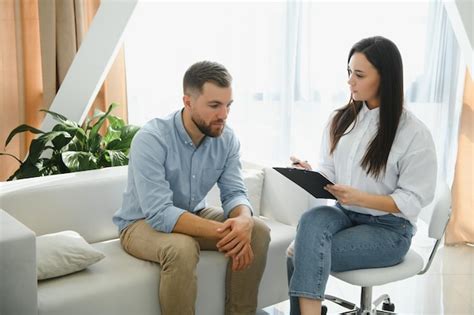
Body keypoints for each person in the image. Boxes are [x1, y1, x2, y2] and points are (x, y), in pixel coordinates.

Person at [286, 36, 437, 315]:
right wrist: (312, 174)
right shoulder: (340, 119)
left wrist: (362, 198)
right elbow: (330, 170)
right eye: (348, 73)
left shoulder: (413, 133)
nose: (350, 82)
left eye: (359, 75)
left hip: (390, 230)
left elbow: (413, 200)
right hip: (344, 214)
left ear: (385, 78)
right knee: (310, 221)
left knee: (302, 252)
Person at [113, 61, 271, 315]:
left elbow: (234, 192)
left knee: (257, 231)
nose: (224, 115)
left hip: (193, 214)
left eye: (228, 105)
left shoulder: (227, 139)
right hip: (141, 224)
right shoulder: (151, 139)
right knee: (182, 249)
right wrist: (228, 231)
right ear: (188, 102)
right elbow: (160, 213)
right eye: (214, 105)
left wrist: (243, 221)